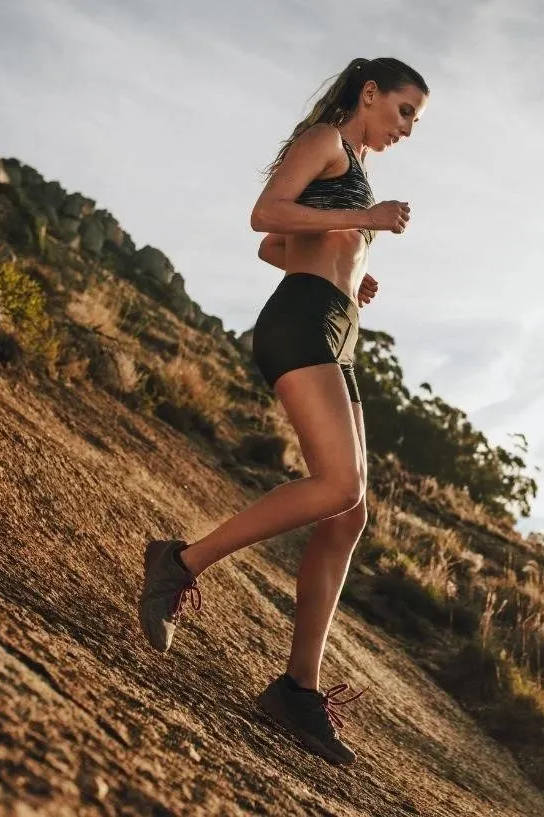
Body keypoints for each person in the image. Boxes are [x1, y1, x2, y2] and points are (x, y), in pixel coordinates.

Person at [138, 57, 428, 767]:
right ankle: (180, 561)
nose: (407, 129)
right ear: (369, 95)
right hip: (299, 323)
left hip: (335, 325)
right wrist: (362, 221)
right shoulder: (325, 140)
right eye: (404, 112)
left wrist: (347, 273)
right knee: (336, 485)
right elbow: (263, 216)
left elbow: (281, 246)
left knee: (349, 512)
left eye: (415, 120)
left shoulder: (353, 161)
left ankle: (298, 688)